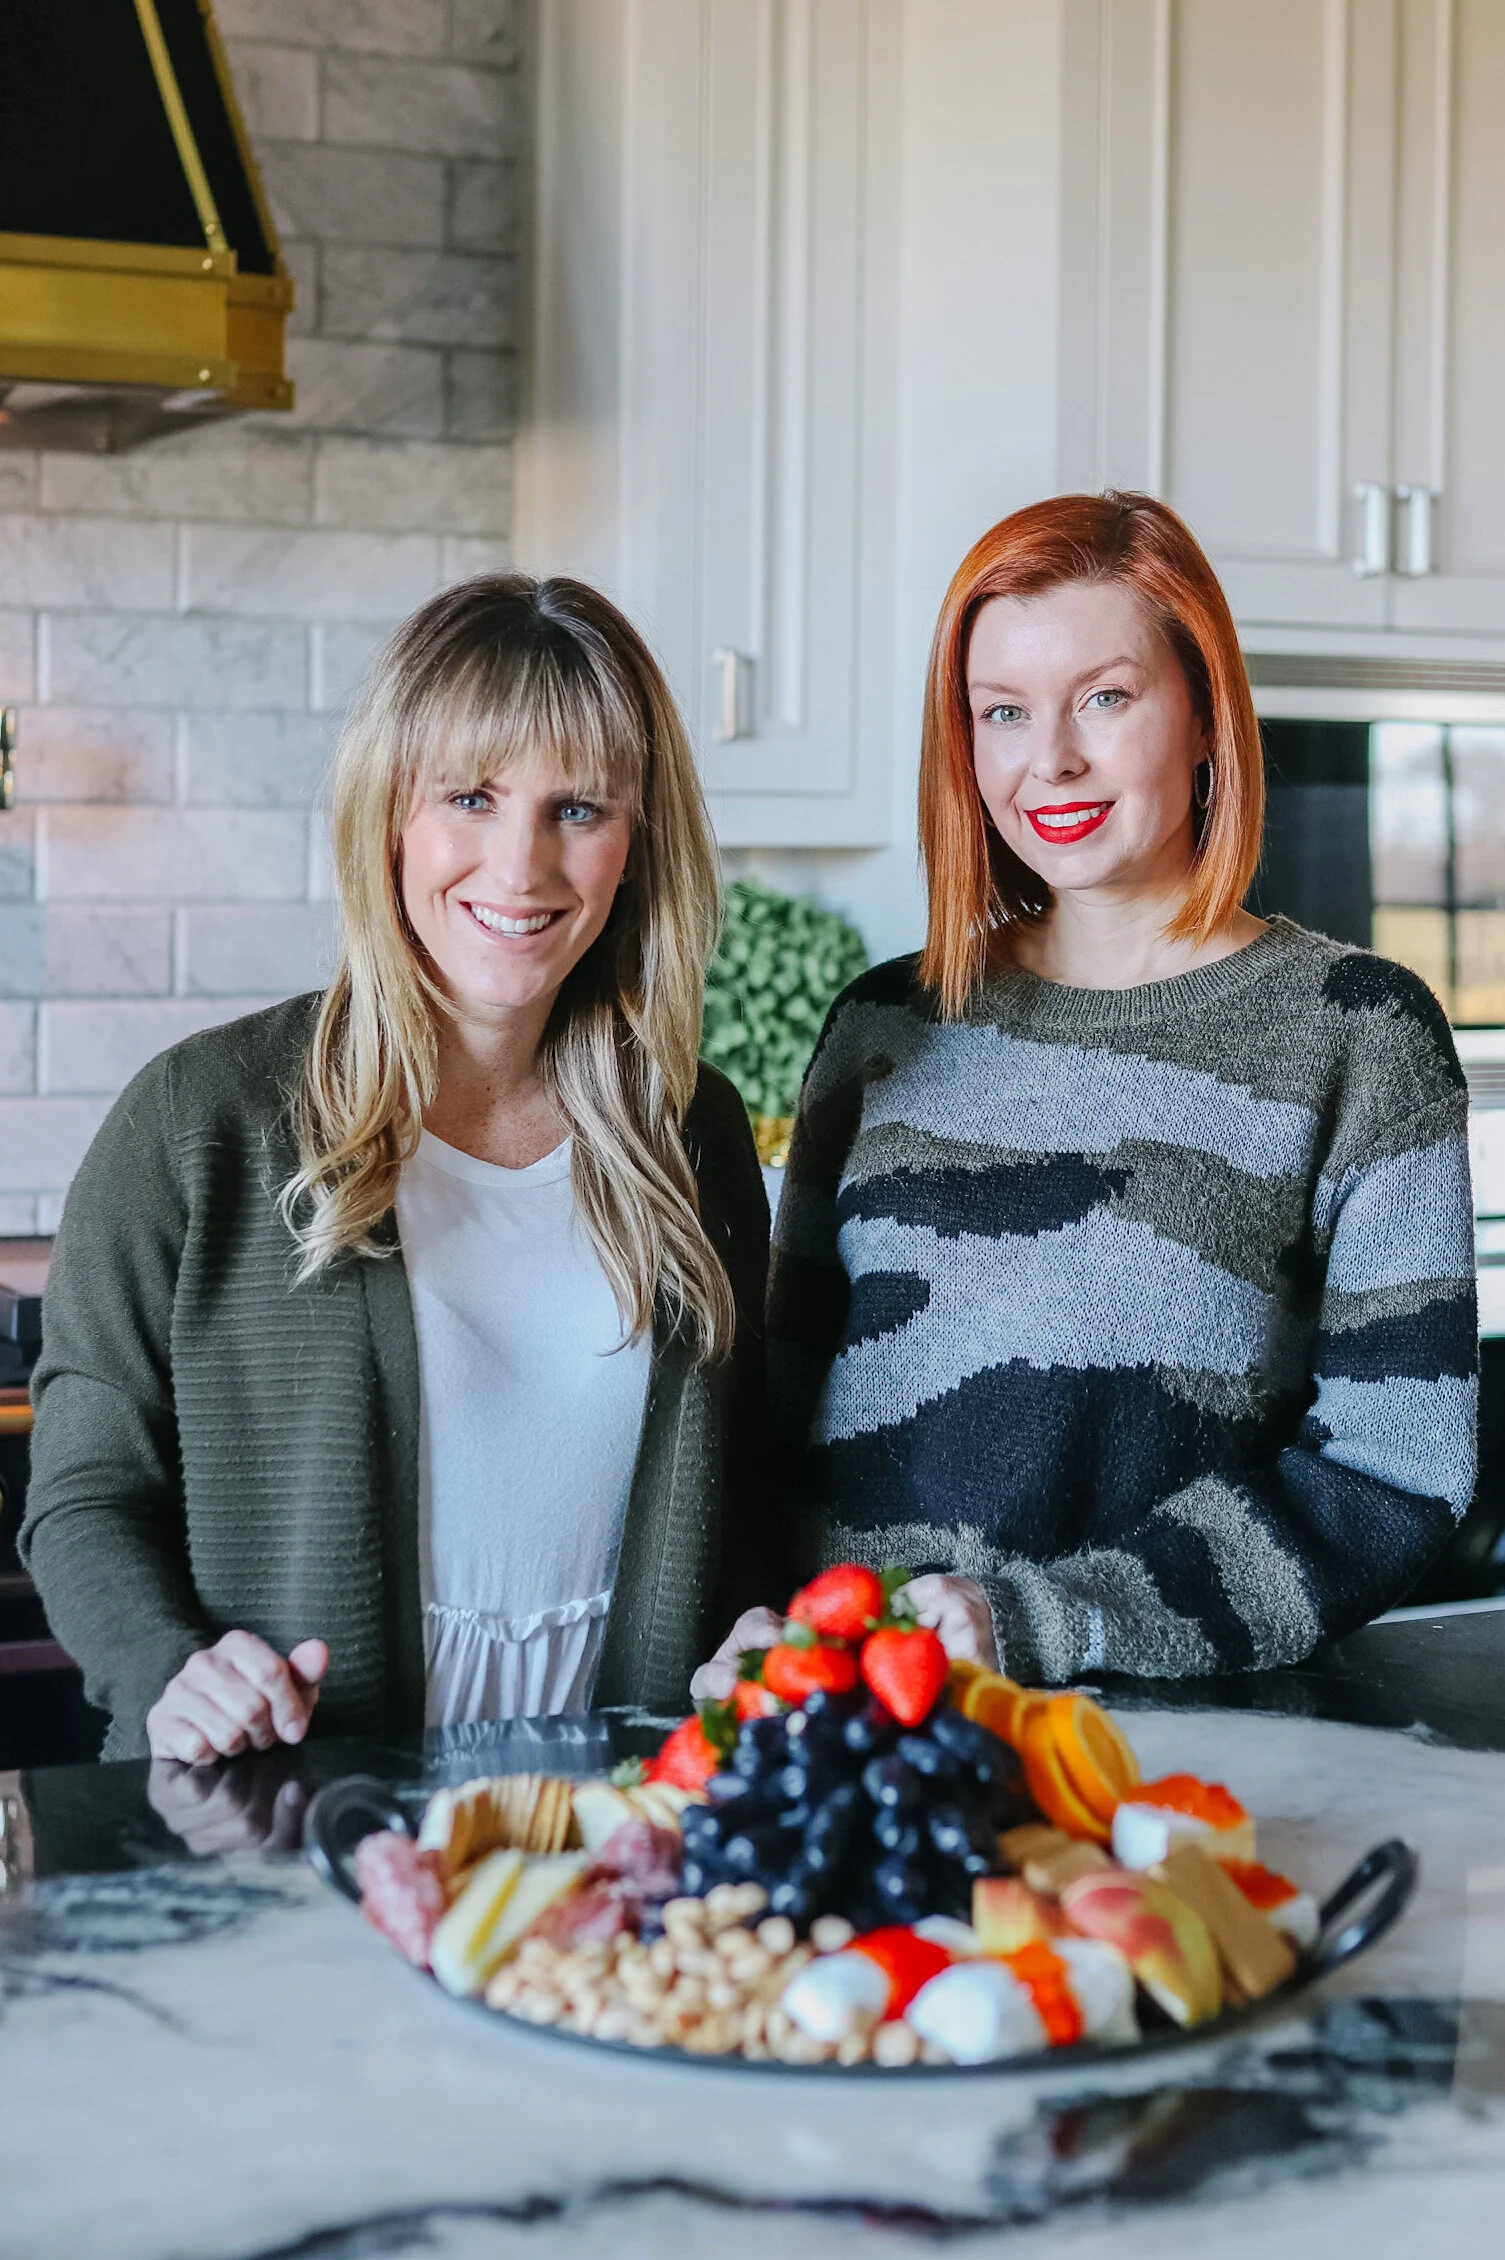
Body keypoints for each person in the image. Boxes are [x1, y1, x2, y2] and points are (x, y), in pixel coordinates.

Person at [709, 491, 1476, 1692]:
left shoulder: (1356, 1032)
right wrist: (759, 1632)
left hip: (1167, 1759)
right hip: (865, 1740)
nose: (1048, 758)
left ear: (1205, 714)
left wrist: (1052, 1622)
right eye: (1000, 712)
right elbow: (775, 1417)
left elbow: (1395, 1470)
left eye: (1104, 698)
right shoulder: (882, 1026)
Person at [23, 575, 770, 1762]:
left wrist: (756, 1640)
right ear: (390, 818)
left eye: (576, 807)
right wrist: (170, 1670)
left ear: (635, 846)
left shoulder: (690, 1135)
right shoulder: (197, 1121)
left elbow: (742, 1496)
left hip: (611, 1838)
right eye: (468, 797)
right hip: (273, 1829)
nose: (519, 866)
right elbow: (82, 1496)